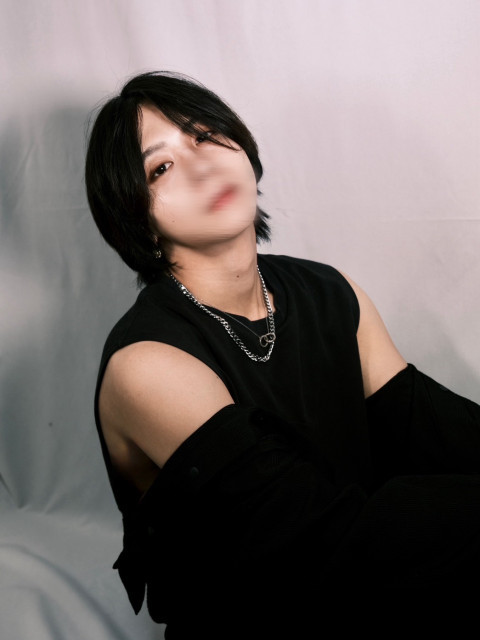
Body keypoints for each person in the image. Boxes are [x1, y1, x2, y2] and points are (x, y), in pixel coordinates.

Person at [85, 71, 480, 638]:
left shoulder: (329, 291)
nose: (201, 165)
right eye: (161, 167)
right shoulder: (147, 364)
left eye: (204, 135)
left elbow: (432, 430)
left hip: (373, 583)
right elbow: (314, 536)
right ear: (135, 219)